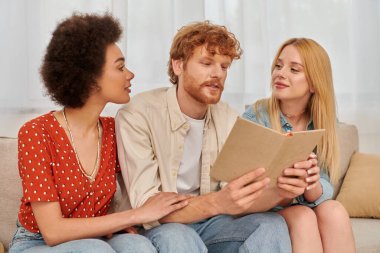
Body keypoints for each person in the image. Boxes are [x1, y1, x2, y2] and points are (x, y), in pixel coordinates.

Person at [114, 21, 316, 253]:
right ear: (178, 65)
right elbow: (148, 205)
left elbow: (237, 197)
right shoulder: (138, 114)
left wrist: (281, 192)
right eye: (206, 63)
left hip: (210, 222)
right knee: (177, 236)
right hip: (156, 226)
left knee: (270, 224)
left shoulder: (228, 118)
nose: (217, 74)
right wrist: (218, 202)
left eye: (224, 67)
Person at [9, 13, 190, 253]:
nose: (130, 74)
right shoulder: (36, 133)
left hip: (96, 238)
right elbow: (53, 232)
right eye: (120, 67)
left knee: (138, 246)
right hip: (37, 242)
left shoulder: (114, 130)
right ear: (90, 78)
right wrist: (134, 216)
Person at [242, 38, 355, 253]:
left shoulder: (323, 124)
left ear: (314, 83)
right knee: (302, 216)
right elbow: (242, 188)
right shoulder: (256, 116)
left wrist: (311, 182)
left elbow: (324, 191)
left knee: (334, 210)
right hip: (263, 208)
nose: (281, 73)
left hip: (299, 204)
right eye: (278, 65)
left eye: (294, 69)